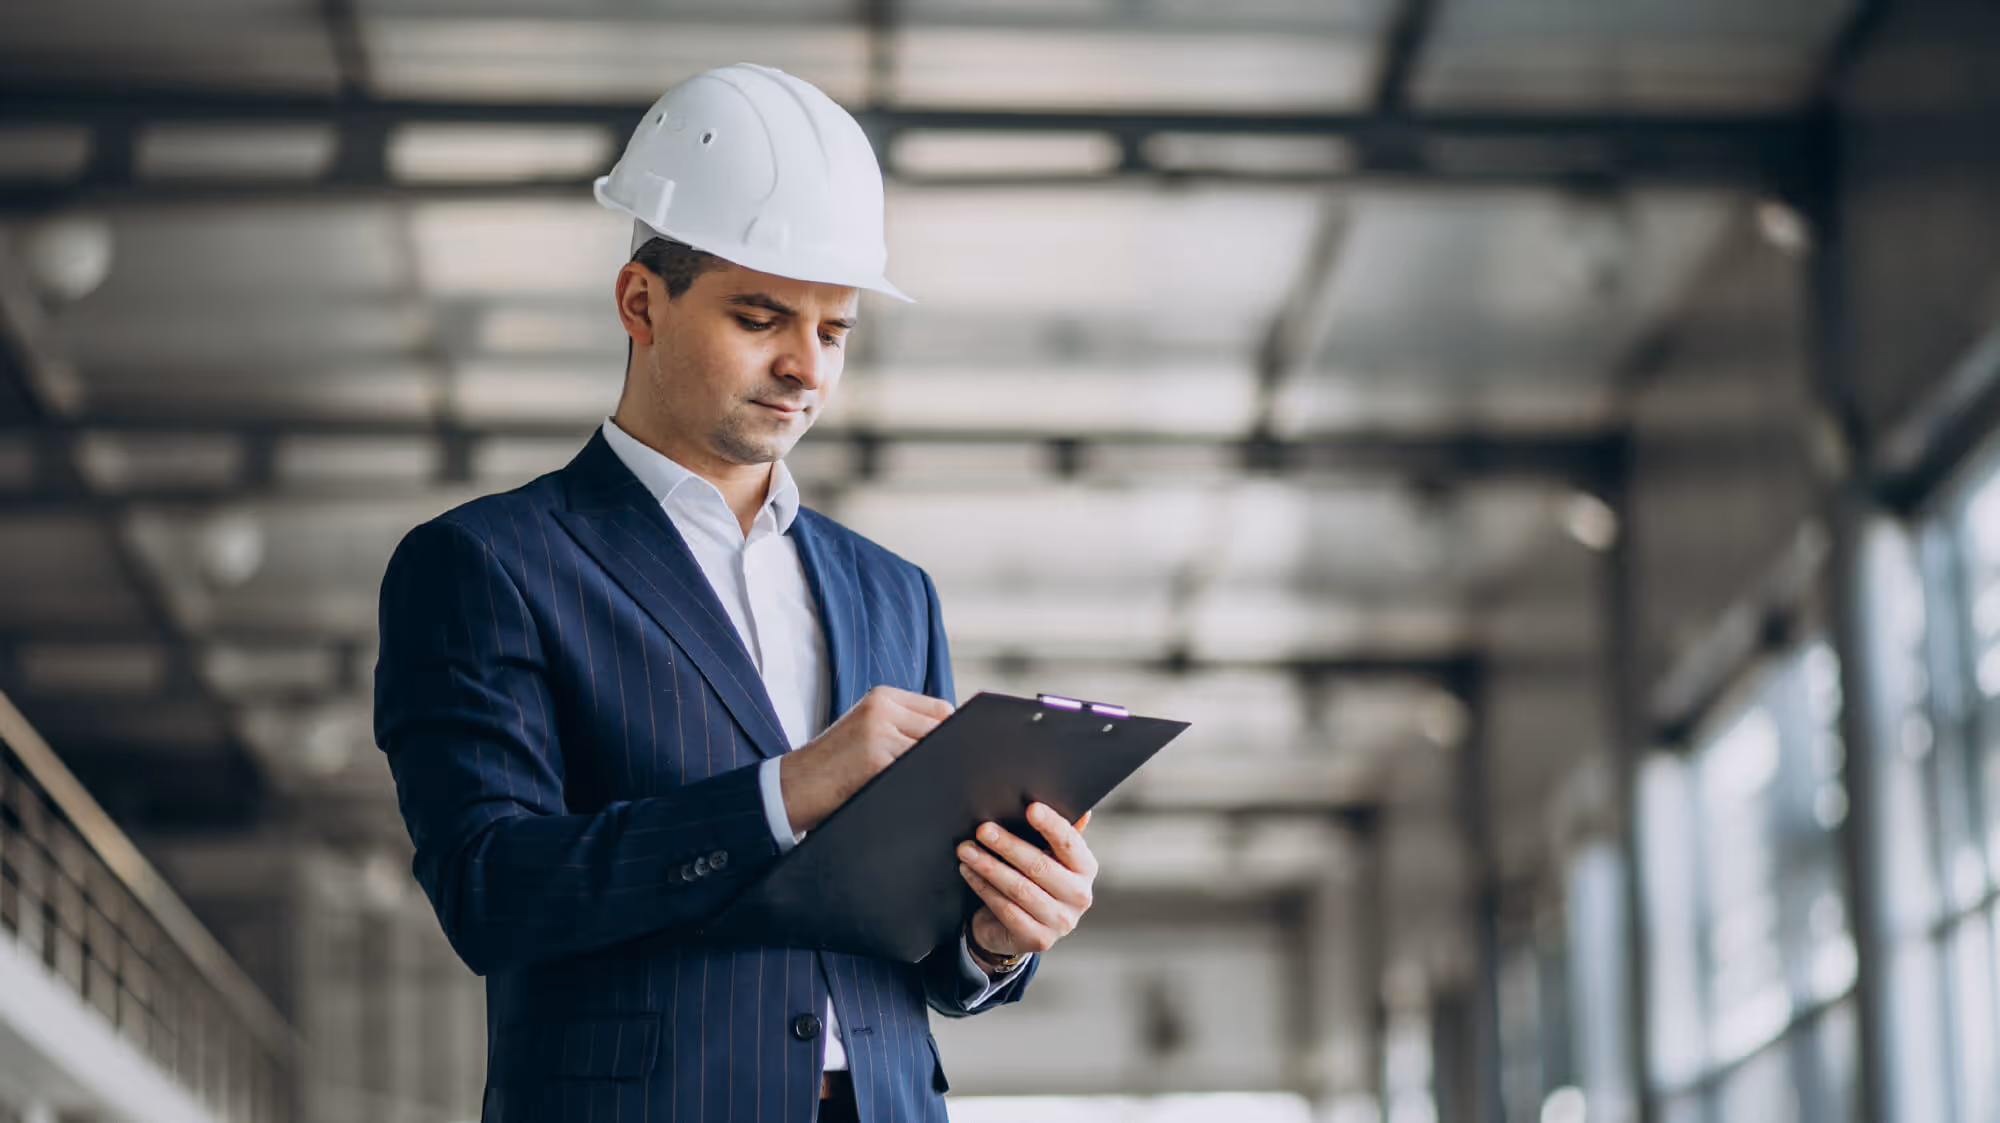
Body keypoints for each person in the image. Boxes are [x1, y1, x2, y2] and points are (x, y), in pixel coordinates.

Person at [372, 63, 1099, 1123]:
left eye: (834, 331)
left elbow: (920, 947)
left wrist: (994, 927)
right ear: (640, 303)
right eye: (761, 318)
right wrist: (788, 788)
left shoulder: (894, 594)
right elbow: (488, 888)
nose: (805, 367)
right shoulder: (489, 564)